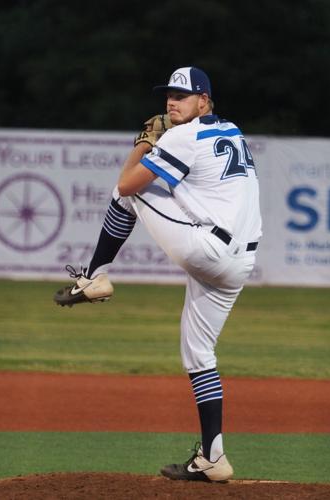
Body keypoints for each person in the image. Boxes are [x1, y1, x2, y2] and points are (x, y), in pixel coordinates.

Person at [54, 66, 262, 482]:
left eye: (182, 96)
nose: (171, 102)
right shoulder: (231, 130)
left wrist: (145, 142)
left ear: (204, 102)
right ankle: (213, 457)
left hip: (208, 249)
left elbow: (129, 183)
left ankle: (94, 276)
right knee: (198, 355)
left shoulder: (184, 136)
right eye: (169, 95)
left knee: (124, 193)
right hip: (240, 263)